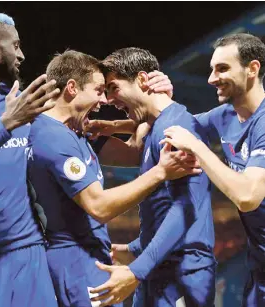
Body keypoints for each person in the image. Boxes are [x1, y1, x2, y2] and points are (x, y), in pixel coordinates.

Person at [26, 50, 199, 307]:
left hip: (89, 257)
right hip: (76, 261)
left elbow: (136, 152)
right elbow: (99, 207)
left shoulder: (74, 132)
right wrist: (161, 172)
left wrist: (155, 100)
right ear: (72, 88)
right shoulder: (54, 138)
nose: (103, 100)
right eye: (98, 90)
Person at [88, 47, 217, 307]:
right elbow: (162, 207)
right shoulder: (155, 128)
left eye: (114, 87)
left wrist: (137, 270)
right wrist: (132, 250)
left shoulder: (177, 127)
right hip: (159, 267)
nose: (110, 99)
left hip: (183, 273)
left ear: (143, 80)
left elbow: (186, 209)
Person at [0, 11, 60, 307]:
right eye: (15, 46)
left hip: (29, 250)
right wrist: (6, 124)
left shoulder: (19, 100)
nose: (23, 54)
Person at [160, 33, 265, 307]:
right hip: (259, 269)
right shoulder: (225, 116)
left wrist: (196, 146)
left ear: (252, 68)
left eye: (222, 68)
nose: (211, 78)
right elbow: (173, 127)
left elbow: (248, 196)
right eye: (211, 69)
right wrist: (160, 100)